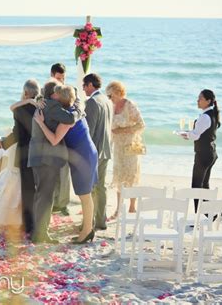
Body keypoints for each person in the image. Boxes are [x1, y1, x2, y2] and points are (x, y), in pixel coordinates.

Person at [33, 85, 97, 244]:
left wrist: (40, 123)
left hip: (83, 156)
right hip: (86, 153)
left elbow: (54, 140)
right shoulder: (75, 109)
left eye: (56, 94)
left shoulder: (67, 119)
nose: (53, 95)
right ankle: (87, 229)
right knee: (86, 194)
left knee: (84, 195)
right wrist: (40, 98)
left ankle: (87, 231)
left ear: (59, 99)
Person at [27, 81, 83, 244]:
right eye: (58, 91)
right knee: (46, 196)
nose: (60, 93)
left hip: (38, 156)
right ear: (53, 94)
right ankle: (40, 234)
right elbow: (71, 118)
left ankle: (37, 231)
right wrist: (79, 105)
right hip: (46, 158)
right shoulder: (51, 105)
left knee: (41, 195)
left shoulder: (43, 104)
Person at [0, 79, 41, 234]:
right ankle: (40, 221)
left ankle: (29, 226)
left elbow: (17, 134)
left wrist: (3, 143)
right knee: (40, 189)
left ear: (26, 93)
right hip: (42, 153)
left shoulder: (20, 110)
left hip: (25, 155)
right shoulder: (42, 108)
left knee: (27, 191)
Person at [106, 81, 145, 219]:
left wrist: (124, 130)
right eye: (108, 96)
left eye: (110, 95)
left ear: (118, 92)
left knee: (131, 176)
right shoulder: (111, 106)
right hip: (118, 147)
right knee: (119, 177)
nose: (109, 98)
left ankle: (132, 207)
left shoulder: (130, 105)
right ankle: (118, 209)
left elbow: (141, 124)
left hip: (131, 145)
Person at [181, 89, 221, 212]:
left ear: (208, 101)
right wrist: (190, 134)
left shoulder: (205, 116)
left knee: (196, 187)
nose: (197, 101)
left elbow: (196, 135)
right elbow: (200, 134)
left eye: (200, 99)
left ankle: (199, 217)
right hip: (210, 153)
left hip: (203, 155)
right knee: (204, 185)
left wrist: (186, 134)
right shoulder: (212, 114)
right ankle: (212, 213)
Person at [83, 73, 113, 231]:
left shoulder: (92, 102)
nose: (83, 89)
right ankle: (100, 221)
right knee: (101, 187)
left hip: (95, 151)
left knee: (90, 188)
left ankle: (89, 223)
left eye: (84, 86)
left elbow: (89, 131)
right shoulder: (107, 100)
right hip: (106, 148)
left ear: (90, 85)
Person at [49, 63, 71, 216]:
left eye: (63, 79)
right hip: (49, 137)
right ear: (52, 75)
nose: (61, 82)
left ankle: (62, 204)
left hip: (64, 136)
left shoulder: (68, 90)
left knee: (64, 172)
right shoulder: (47, 91)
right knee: (51, 173)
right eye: (58, 78)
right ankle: (52, 203)